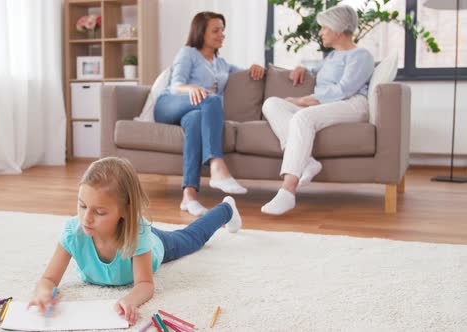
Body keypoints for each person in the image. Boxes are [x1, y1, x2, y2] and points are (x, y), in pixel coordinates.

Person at [28, 157, 242, 325]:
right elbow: (48, 278)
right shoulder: (73, 232)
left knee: (191, 238)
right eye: (82, 206)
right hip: (134, 229)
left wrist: (130, 300)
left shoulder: (137, 233)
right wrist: (44, 291)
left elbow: (145, 284)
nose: (86, 218)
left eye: (99, 212)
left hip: (157, 244)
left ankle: (227, 209)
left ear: (124, 211)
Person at [260, 5, 375, 215]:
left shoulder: (361, 56)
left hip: (352, 104)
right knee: (272, 104)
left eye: (324, 28)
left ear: (338, 30)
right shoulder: (332, 56)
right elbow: (317, 70)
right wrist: (303, 68)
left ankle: (288, 191)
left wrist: (307, 99)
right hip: (328, 105)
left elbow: (344, 89)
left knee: (302, 118)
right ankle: (308, 162)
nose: (320, 32)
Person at [154, 11, 265, 217]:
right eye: (216, 30)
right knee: (211, 98)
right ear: (201, 32)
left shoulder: (222, 64)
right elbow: (176, 85)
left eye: (223, 30)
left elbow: (244, 72)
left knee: (196, 120)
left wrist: (256, 68)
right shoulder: (188, 53)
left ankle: (189, 196)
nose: (221, 34)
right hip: (170, 104)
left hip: (195, 111)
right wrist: (193, 89)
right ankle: (216, 165)